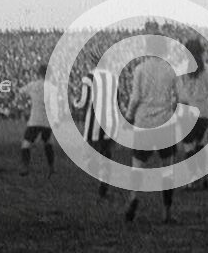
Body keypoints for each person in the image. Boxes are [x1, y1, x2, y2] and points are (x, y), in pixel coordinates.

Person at [124, 35, 179, 223]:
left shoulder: (140, 69)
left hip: (143, 122)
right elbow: (178, 97)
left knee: (138, 165)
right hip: (164, 122)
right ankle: (167, 212)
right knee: (167, 168)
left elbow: (135, 97)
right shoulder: (170, 70)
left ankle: (133, 197)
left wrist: (129, 115)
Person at [72, 51, 119, 199]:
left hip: (95, 122)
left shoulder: (89, 77)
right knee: (106, 154)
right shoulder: (113, 77)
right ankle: (103, 185)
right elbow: (116, 101)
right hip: (111, 121)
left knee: (88, 153)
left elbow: (83, 102)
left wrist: (74, 101)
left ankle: (98, 175)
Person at [176, 38, 208, 190]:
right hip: (204, 113)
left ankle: (192, 179)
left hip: (187, 112)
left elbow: (179, 94)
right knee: (201, 145)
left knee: (189, 147)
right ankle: (204, 177)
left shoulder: (182, 70)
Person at [20, 64, 57, 179]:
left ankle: (25, 167)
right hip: (47, 121)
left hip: (34, 120)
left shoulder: (32, 85)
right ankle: (51, 167)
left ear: (38, 73)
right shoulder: (52, 87)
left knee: (26, 144)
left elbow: (21, 92)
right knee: (48, 143)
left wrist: (26, 103)